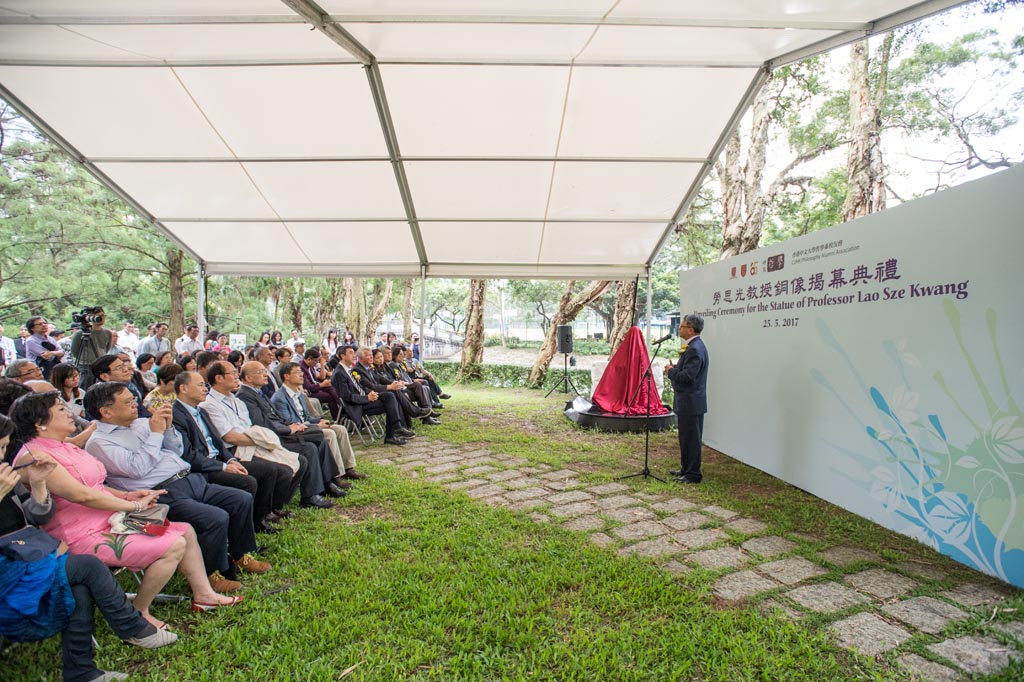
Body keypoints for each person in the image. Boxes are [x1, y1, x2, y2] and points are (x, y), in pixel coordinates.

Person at [7, 392, 241, 630]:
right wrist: (133, 506)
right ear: (40, 422)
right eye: (60, 409)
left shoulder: (65, 447)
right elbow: (82, 495)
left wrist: (128, 495)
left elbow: (97, 486)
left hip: (107, 519)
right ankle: (138, 612)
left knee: (186, 531)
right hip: (79, 534)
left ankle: (204, 594)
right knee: (173, 545)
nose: (69, 413)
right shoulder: (36, 456)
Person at [0, 414, 178, 682]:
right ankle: (131, 627)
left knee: (77, 587)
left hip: (25, 555)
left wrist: (37, 485)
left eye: (3, 447)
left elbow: (36, 517)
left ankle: (82, 671)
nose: (2, 454)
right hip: (10, 565)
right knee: (87, 566)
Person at [82, 382, 264, 591]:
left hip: (188, 479)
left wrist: (167, 429)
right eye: (127, 402)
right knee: (214, 517)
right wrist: (157, 433)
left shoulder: (142, 423)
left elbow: (176, 450)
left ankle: (239, 555)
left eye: (133, 400)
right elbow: (136, 469)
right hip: (161, 493)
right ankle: (209, 573)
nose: (135, 404)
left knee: (240, 499)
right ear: (106, 411)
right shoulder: (99, 442)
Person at [185, 364, 298, 533]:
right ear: (219, 378)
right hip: (234, 449)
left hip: (247, 444)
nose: (237, 376)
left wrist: (260, 440)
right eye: (232, 373)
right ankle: (259, 519)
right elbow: (228, 437)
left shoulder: (237, 401)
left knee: (295, 461)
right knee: (270, 470)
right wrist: (258, 442)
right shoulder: (209, 405)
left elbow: (248, 428)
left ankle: (270, 510)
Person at [235, 362, 339, 508]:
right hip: (273, 437)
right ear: (248, 377)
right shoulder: (245, 396)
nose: (266, 374)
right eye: (261, 372)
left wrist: (292, 425)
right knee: (310, 446)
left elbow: (276, 417)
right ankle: (310, 495)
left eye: (265, 371)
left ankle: (327, 482)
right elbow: (261, 424)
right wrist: (288, 429)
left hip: (281, 431)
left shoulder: (257, 392)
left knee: (318, 437)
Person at [273, 361, 366, 487]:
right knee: (329, 434)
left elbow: (307, 417)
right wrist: (316, 426)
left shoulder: (298, 394)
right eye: (297, 373)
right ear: (286, 376)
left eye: (301, 372)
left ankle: (348, 467)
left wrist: (318, 421)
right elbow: (290, 423)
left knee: (340, 429)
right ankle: (335, 475)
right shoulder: (279, 398)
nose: (301, 375)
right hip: (297, 431)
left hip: (307, 426)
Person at [331, 345, 410, 446]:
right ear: (342, 356)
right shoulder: (339, 373)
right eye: (350, 353)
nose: (354, 355)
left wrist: (370, 393)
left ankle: (396, 429)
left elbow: (360, 387)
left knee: (390, 395)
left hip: (365, 397)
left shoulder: (348, 369)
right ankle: (394, 431)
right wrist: (366, 398)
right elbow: (348, 397)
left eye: (354, 352)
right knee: (390, 401)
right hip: (356, 405)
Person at [665, 313, 709, 484]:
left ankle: (693, 474)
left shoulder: (696, 349)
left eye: (682, 326)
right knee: (686, 437)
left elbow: (688, 376)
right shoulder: (693, 347)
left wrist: (671, 371)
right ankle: (686, 468)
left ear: (690, 329)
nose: (679, 328)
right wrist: (676, 368)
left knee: (692, 438)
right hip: (687, 401)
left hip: (691, 402)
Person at [68, 308, 114, 388]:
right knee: (85, 387)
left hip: (101, 365)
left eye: (103, 315)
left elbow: (106, 348)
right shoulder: (80, 333)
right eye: (98, 316)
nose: (101, 318)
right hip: (85, 365)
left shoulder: (108, 333)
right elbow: (75, 351)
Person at [24, 316, 65, 380]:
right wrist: (55, 353)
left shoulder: (50, 339)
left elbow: (62, 352)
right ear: (32, 328)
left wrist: (52, 353)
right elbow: (46, 355)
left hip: (53, 367)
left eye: (45, 323)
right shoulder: (31, 341)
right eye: (40, 324)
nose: (44, 325)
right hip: (39, 370)